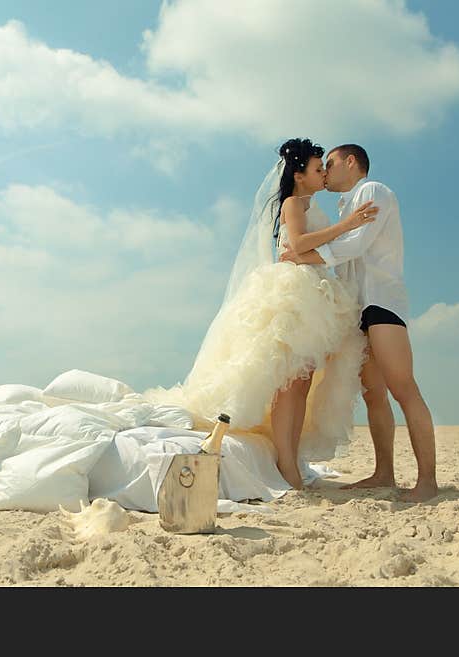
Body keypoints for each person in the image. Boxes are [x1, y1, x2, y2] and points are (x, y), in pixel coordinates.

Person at [142, 138, 376, 490]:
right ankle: (286, 463)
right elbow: (297, 245)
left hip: (315, 292)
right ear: (299, 175)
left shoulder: (310, 203)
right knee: (289, 383)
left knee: (302, 382)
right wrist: (348, 225)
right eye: (317, 169)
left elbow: (309, 249)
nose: (324, 174)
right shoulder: (294, 203)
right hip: (294, 294)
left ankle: (291, 457)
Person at [279, 144, 438, 502]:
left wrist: (303, 255)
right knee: (374, 395)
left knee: (403, 389)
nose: (326, 172)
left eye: (330, 164)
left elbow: (355, 245)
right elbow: (342, 259)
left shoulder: (373, 191)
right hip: (359, 310)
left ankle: (427, 481)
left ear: (351, 163)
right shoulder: (343, 206)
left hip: (382, 303)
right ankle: (384, 473)